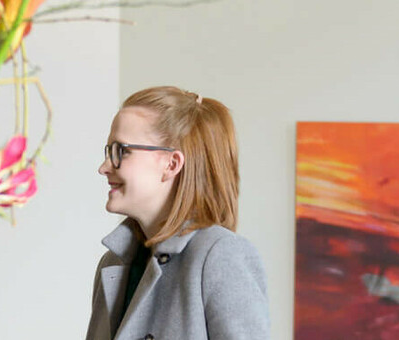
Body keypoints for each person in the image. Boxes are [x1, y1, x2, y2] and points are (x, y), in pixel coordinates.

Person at [86, 86, 270, 340]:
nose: (104, 167)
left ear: (171, 164)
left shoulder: (220, 255)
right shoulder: (113, 263)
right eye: (109, 151)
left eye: (122, 151)